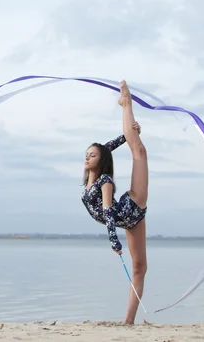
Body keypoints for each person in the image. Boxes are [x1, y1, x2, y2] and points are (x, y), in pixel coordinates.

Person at [80, 80, 148, 325]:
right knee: (139, 268)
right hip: (129, 222)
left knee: (138, 151)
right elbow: (106, 148)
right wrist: (127, 134)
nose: (87, 157)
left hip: (133, 206)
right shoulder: (89, 177)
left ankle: (126, 103)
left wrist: (112, 239)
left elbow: (108, 211)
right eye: (86, 154)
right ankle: (128, 321)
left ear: (100, 161)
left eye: (92, 155)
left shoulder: (104, 180)